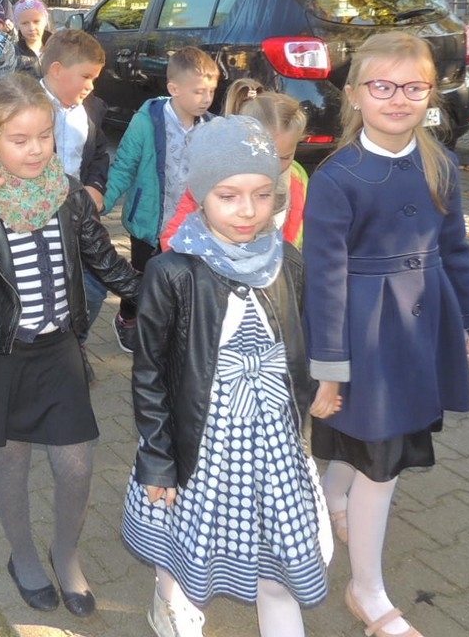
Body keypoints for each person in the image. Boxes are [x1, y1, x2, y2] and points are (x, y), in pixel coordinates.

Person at [303, 31, 469, 637]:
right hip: (365, 338)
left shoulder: (441, 164)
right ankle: (367, 591)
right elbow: (324, 279)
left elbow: (456, 248)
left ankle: (333, 497)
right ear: (355, 95)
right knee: (382, 461)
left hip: (420, 332)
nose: (398, 98)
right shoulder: (337, 177)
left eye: (414, 87)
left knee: (375, 444)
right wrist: (329, 368)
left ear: (432, 95)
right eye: (383, 86)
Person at [0, 74, 140, 619]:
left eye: (44, 135)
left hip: (58, 350)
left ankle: (65, 554)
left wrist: (164, 297)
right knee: (13, 459)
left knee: (77, 466)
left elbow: (104, 259)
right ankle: (22, 556)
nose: (36, 149)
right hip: (1, 353)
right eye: (20, 140)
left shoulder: (66, 193)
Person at [123, 115, 329, 637]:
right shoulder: (173, 272)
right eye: (228, 195)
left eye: (262, 194)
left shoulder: (287, 262)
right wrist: (157, 458)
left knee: (279, 566)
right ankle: (171, 603)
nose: (248, 210)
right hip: (200, 441)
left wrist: (310, 412)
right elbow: (150, 373)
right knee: (182, 536)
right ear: (200, 194)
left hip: (274, 444)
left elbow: (298, 349)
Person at [104, 46, 220, 355]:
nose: (206, 98)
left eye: (211, 91)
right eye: (199, 91)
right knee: (140, 279)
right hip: (148, 223)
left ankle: (165, 329)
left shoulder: (210, 128)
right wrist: (102, 202)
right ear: (174, 89)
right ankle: (127, 318)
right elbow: (124, 165)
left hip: (187, 226)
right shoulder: (147, 121)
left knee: (178, 280)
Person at [39, 29, 111, 377]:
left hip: (80, 217)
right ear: (56, 70)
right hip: (37, 220)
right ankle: (45, 356)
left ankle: (74, 344)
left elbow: (99, 153)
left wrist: (96, 185)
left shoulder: (91, 108)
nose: (91, 86)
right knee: (45, 294)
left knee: (93, 290)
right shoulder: (24, 105)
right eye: (86, 76)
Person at [224, 79, 309, 248]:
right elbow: (180, 229)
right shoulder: (217, 177)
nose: (275, 167)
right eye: (266, 156)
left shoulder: (298, 180)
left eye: (285, 157)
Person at [12, 0, 51, 76]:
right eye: (25, 23)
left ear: (45, 21)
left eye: (36, 21)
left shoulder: (58, 49)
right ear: (18, 25)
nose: (31, 28)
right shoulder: (12, 55)